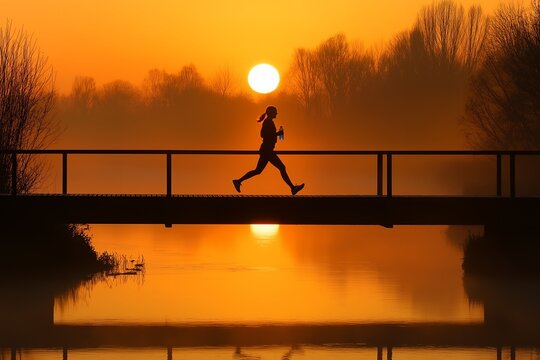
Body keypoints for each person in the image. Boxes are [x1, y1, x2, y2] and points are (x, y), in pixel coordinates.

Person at [233, 106, 305, 195]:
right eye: (275, 112)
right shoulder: (267, 122)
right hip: (267, 150)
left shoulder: (269, 122)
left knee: (258, 171)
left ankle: (238, 181)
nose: (277, 113)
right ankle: (293, 188)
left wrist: (276, 134)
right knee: (282, 167)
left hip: (267, 150)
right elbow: (263, 134)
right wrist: (277, 133)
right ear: (271, 113)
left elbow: (267, 134)